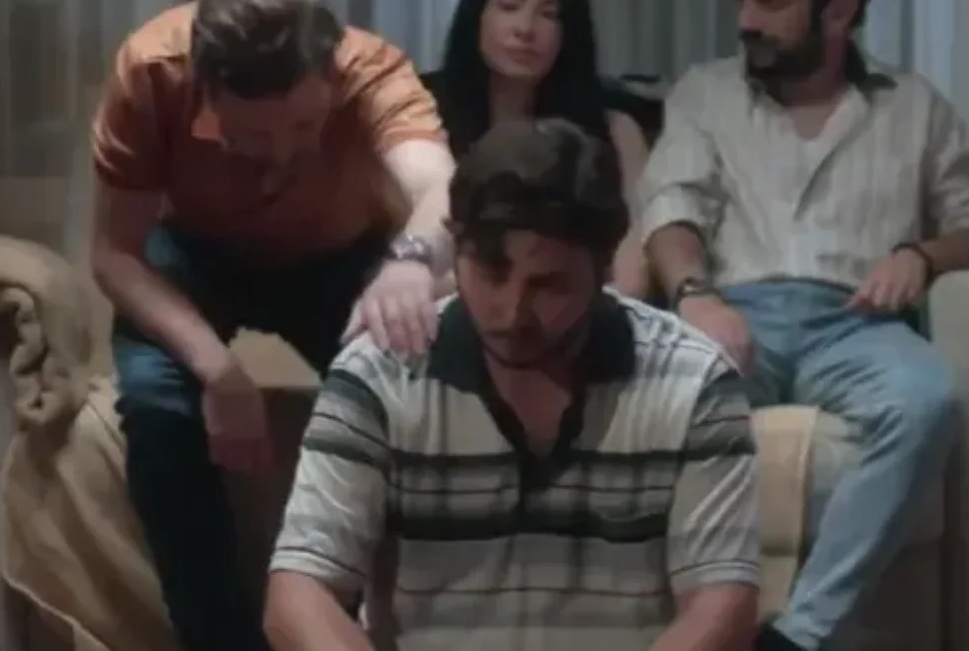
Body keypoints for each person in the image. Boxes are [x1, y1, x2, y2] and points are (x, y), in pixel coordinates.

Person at [637, 0, 969, 651]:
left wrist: (922, 256)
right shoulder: (706, 93)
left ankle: (800, 635)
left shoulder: (915, 107)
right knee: (656, 402)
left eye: (771, 3)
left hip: (857, 324)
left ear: (839, 13)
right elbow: (670, 211)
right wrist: (694, 295)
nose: (746, 20)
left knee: (927, 401)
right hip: (735, 312)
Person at [264, 117, 761, 651]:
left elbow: (721, 607)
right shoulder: (380, 375)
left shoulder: (693, 381)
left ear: (603, 269)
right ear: (456, 247)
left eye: (548, 284)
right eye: (491, 273)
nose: (512, 311)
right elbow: (300, 594)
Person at [89, 0, 455, 651]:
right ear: (206, 91)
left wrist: (409, 259)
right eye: (253, 135)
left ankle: (363, 628)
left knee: (407, 392)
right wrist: (219, 372)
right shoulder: (153, 70)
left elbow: (441, 186)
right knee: (156, 407)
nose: (282, 153)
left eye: (305, 126)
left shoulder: (371, 69)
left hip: (339, 255)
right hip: (195, 252)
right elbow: (115, 253)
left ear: (331, 79)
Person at [423, 0, 653, 296]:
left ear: (569, 31)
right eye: (509, 6)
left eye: (549, 14)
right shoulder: (422, 116)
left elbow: (632, 280)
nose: (525, 28)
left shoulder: (616, 131)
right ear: (477, 15)